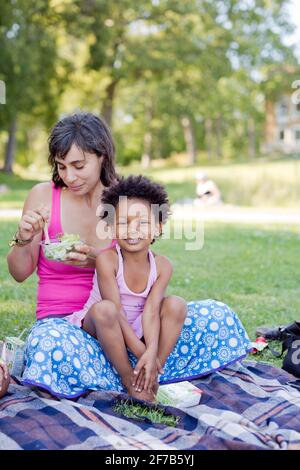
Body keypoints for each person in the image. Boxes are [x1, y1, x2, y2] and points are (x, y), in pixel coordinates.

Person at [7, 112, 252, 400]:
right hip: (68, 328)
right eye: (61, 166)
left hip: (132, 326)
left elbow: (145, 269)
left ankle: (136, 370)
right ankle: (136, 373)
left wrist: (99, 258)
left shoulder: (126, 198)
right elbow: (19, 272)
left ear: (102, 156)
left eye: (78, 165)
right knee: (50, 345)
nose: (69, 177)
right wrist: (24, 238)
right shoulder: (42, 196)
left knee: (216, 316)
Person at [67, 175, 187, 402]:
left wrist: (151, 350)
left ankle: (150, 374)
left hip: (139, 326)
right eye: (123, 222)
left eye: (142, 222)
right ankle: (129, 379)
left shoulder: (162, 266)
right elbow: (117, 312)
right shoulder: (108, 260)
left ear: (158, 228)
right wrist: (142, 352)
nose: (133, 230)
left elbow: (151, 311)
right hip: (103, 323)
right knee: (106, 309)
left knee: (176, 305)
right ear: (112, 228)